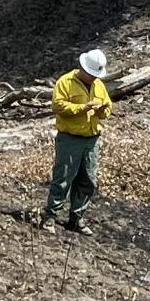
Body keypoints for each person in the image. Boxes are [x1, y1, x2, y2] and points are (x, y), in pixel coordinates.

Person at [40, 47, 112, 234]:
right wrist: (83, 107)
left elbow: (108, 108)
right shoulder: (65, 82)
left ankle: (76, 218)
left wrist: (101, 109)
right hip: (70, 138)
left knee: (88, 179)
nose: (93, 78)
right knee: (63, 178)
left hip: (92, 139)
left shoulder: (98, 85)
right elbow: (58, 106)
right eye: (91, 74)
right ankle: (50, 217)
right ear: (82, 67)